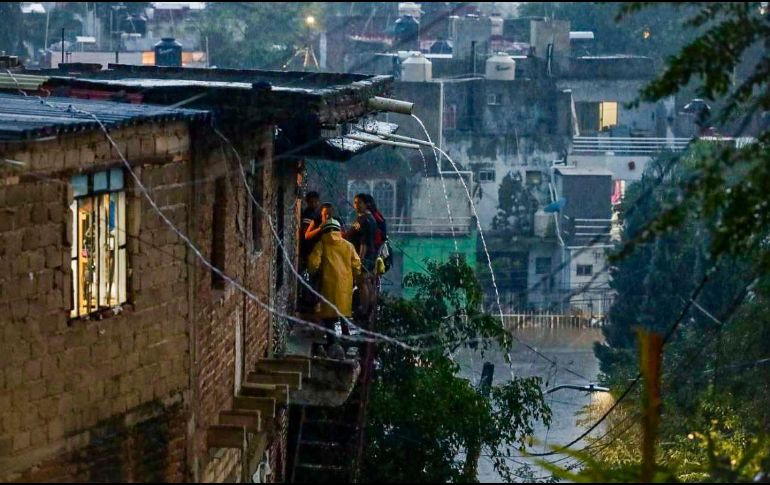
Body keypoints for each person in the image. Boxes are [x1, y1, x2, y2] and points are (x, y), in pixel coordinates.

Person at [307, 218, 362, 351]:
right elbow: (357, 265)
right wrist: (356, 276)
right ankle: (345, 338)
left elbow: (313, 264)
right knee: (343, 311)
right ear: (338, 230)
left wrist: (312, 271)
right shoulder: (348, 246)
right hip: (345, 285)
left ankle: (332, 343)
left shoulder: (321, 244)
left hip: (327, 285)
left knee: (329, 315)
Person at [299, 191, 322, 269]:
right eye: (311, 202)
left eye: (315, 202)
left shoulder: (317, 213)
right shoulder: (308, 214)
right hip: (309, 246)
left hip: (315, 245)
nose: (314, 204)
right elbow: (306, 233)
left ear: (318, 201)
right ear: (307, 202)